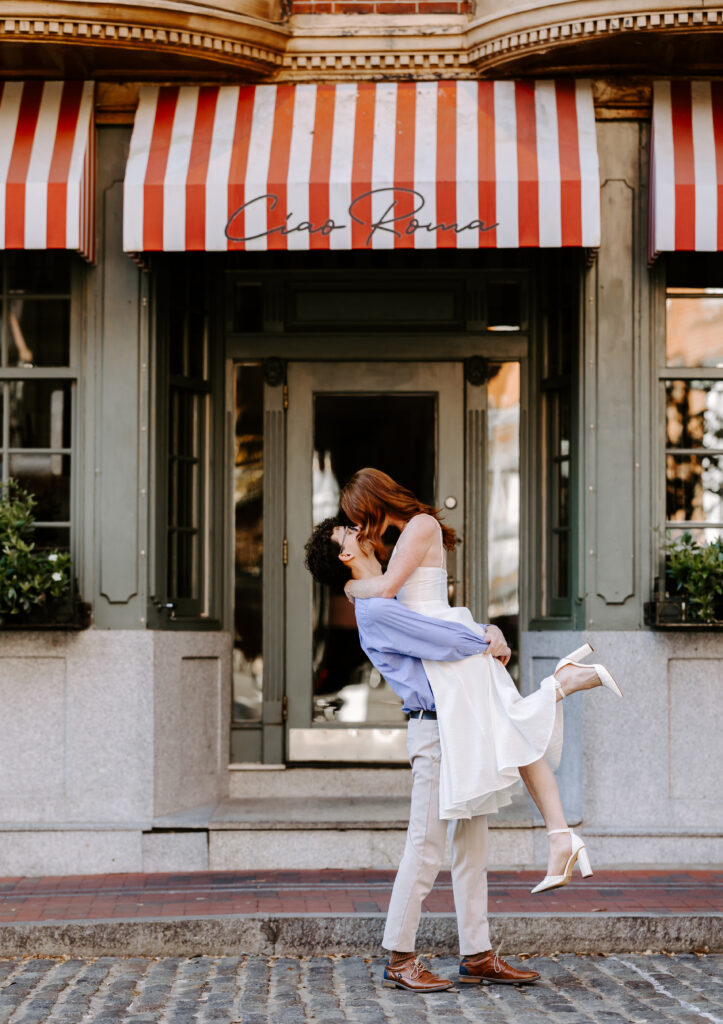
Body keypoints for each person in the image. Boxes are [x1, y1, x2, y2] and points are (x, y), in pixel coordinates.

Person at [339, 469, 622, 895]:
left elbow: (387, 589)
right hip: (449, 652)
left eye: (357, 516)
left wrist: (349, 585)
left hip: (456, 651)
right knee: (516, 737)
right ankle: (561, 836)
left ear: (373, 501)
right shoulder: (409, 534)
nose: (359, 527)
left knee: (517, 734)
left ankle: (563, 685)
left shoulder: (420, 525)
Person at [305, 516, 540, 992]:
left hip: (458, 725)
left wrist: (487, 629)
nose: (359, 529)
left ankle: (478, 954)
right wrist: (486, 637)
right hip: (434, 731)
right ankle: (399, 955)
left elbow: (442, 622)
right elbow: (445, 639)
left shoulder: (387, 591)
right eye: (348, 532)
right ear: (347, 555)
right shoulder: (375, 607)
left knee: (472, 844)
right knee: (426, 844)